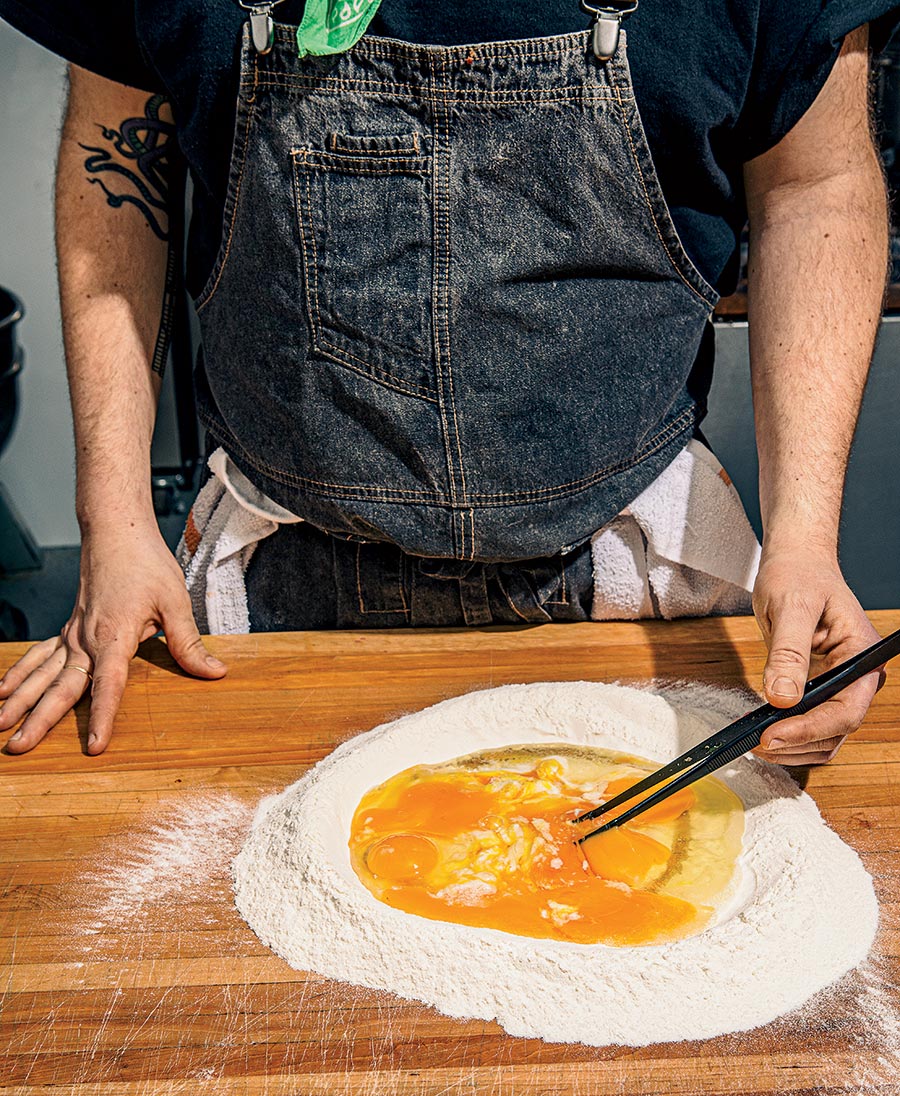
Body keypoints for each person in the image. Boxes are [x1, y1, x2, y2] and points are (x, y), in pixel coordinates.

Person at [0, 1, 895, 762]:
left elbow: (815, 182)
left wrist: (806, 535)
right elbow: (114, 152)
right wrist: (111, 521)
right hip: (263, 591)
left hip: (639, 572)